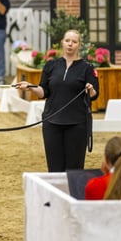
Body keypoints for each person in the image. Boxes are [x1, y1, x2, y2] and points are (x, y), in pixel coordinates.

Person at [16, 29, 99, 172]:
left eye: (74, 42)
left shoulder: (87, 68)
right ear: (62, 43)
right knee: (54, 168)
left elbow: (94, 94)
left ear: (79, 45)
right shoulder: (51, 66)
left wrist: (90, 89)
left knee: (74, 169)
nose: (70, 44)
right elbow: (44, 91)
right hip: (52, 122)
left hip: (77, 124)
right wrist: (30, 87)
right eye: (67, 41)